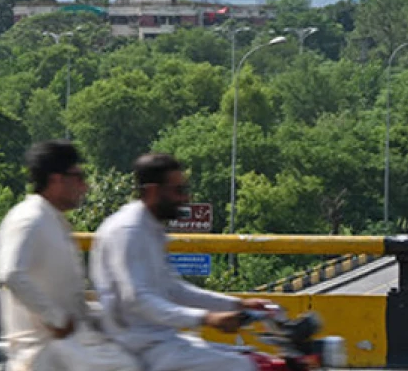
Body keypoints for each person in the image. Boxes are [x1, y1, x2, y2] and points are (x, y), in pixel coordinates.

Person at [90, 153, 272, 371]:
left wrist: (237, 304)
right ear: (152, 191)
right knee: (241, 367)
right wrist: (206, 318)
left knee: (252, 358)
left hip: (163, 340)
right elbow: (139, 300)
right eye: (178, 191)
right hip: (138, 349)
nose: (185, 198)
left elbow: (174, 289)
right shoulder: (128, 230)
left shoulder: (151, 228)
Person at [0, 141, 141, 371]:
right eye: (79, 176)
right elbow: (10, 273)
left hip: (66, 347)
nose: (85, 186)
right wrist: (57, 319)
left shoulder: (51, 219)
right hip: (42, 354)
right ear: (56, 180)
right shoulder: (28, 219)